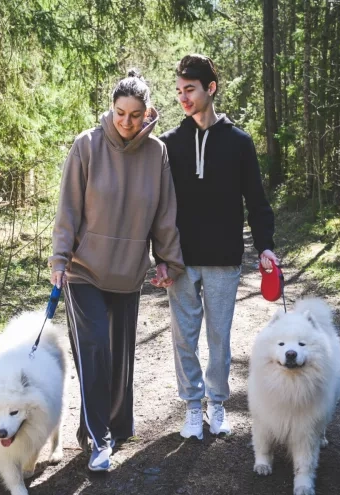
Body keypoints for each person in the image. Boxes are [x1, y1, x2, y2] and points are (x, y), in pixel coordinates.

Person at [49, 70, 185, 472]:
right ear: (112, 109)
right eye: (120, 113)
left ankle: (113, 427)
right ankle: (98, 439)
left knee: (120, 358)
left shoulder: (157, 152)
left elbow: (164, 213)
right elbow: (68, 209)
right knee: (94, 351)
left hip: (127, 273)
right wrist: (59, 259)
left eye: (136, 115)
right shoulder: (86, 146)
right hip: (83, 271)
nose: (126, 122)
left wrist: (168, 260)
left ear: (147, 114)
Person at [158, 54, 279, 440]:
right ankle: (193, 406)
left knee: (219, 338)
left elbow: (256, 200)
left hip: (224, 258)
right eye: (179, 91)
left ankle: (217, 403)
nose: (183, 97)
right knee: (184, 337)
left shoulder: (239, 142)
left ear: (210, 89)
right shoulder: (169, 144)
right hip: (180, 259)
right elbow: (156, 204)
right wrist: (159, 255)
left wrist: (266, 246)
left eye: (189, 89)